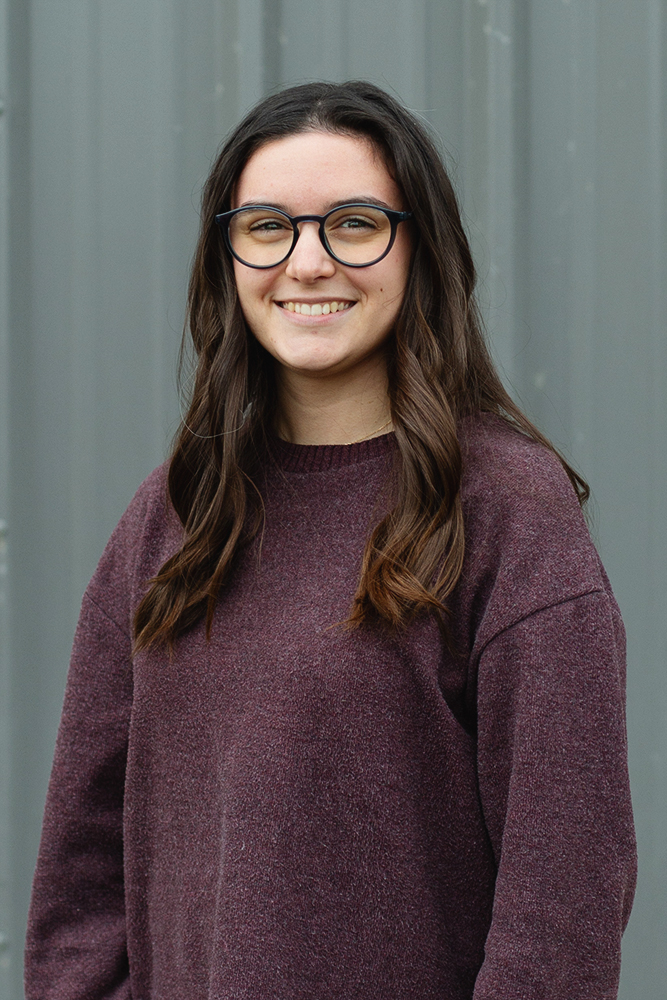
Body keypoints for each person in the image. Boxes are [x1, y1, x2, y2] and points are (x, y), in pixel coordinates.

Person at [25, 81, 636, 1000]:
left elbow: (563, 903)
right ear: (226, 256)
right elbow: (79, 881)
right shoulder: (172, 518)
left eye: (353, 224)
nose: (307, 263)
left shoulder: (508, 515)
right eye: (267, 227)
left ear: (418, 248)